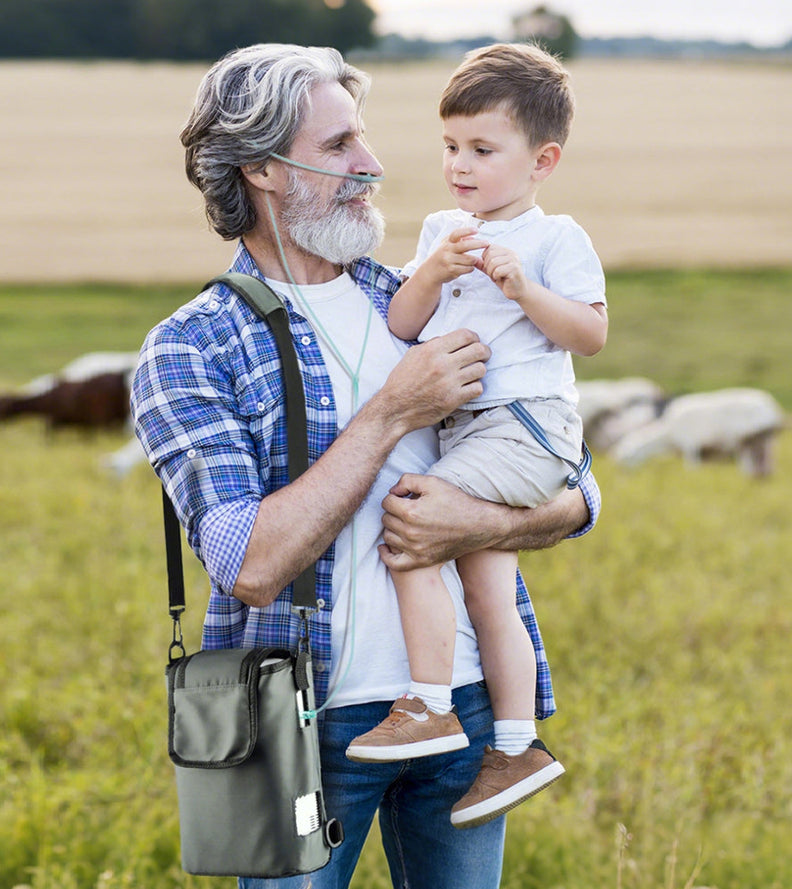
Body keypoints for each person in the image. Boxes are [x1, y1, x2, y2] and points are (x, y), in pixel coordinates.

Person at [131, 43, 602, 889]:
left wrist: (484, 523)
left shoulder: (417, 291)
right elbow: (249, 562)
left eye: (366, 138)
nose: (374, 165)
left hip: (462, 712)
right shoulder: (191, 346)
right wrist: (394, 410)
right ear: (263, 171)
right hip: (303, 725)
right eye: (340, 145)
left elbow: (575, 483)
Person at [345, 43, 607, 831]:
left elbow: (589, 337)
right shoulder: (439, 227)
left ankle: (428, 703)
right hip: (472, 426)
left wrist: (521, 287)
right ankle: (518, 743)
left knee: (414, 516)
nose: (460, 166)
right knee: (491, 587)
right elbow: (402, 323)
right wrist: (431, 271)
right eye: (452, 148)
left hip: (527, 427)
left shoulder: (556, 239)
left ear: (542, 160)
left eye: (482, 151)